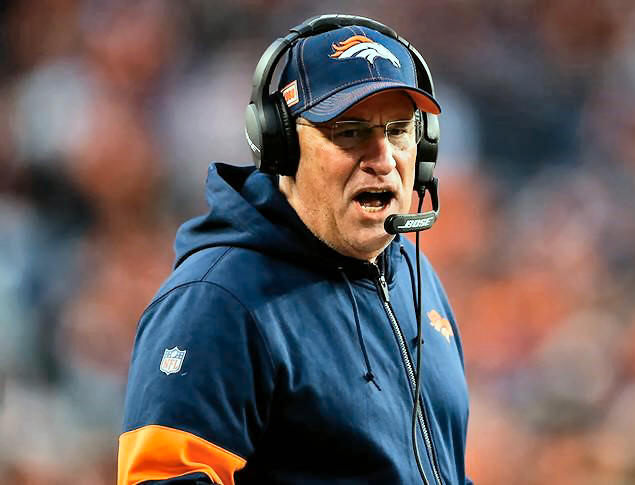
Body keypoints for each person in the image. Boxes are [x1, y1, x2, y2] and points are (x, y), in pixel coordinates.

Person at [118, 14, 471, 485]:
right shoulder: (217, 301)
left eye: (399, 130)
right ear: (281, 146)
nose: (384, 159)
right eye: (350, 132)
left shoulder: (412, 272)